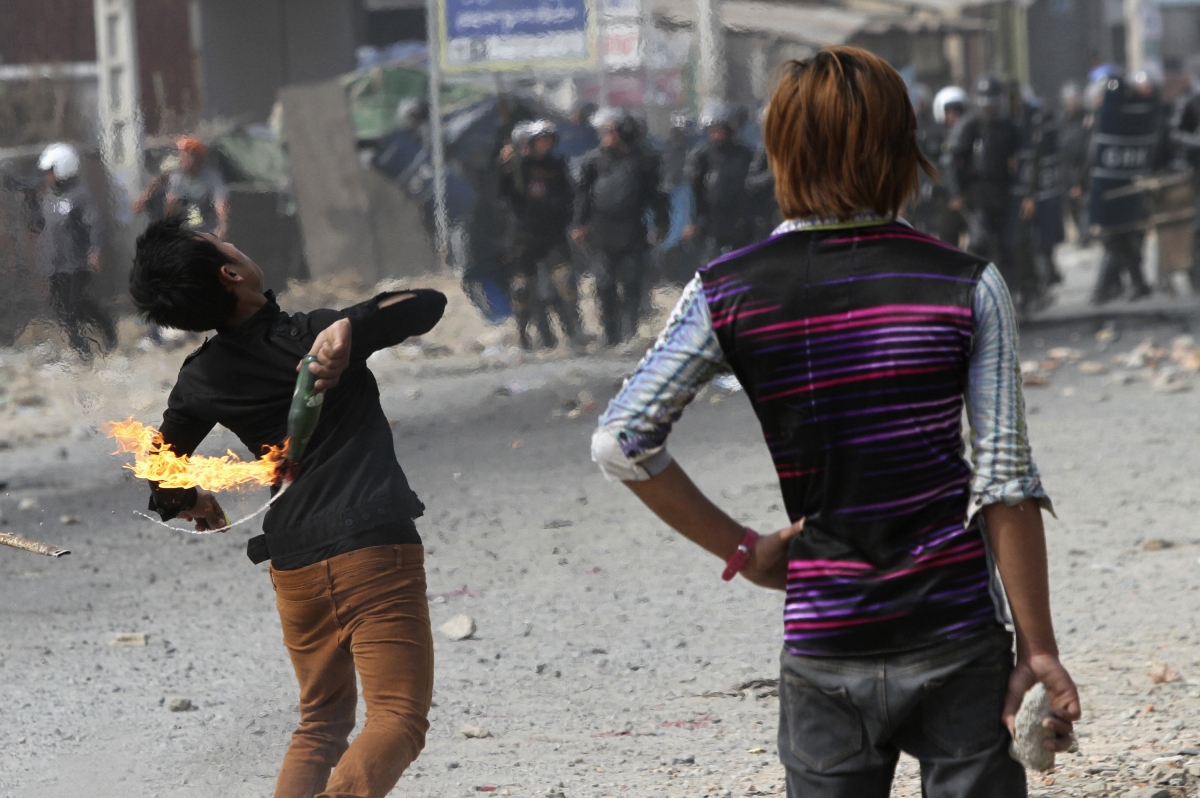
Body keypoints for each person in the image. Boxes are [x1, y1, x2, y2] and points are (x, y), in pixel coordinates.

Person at [591, 46, 1080, 798]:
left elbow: (621, 441)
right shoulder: (965, 283)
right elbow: (1006, 482)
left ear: (781, 151)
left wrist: (745, 550)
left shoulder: (727, 291)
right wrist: (1038, 647)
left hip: (825, 641)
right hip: (954, 632)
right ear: (902, 150)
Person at [128, 218, 447, 798]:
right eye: (227, 245)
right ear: (232, 272)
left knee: (321, 725)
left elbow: (157, 469)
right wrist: (351, 325)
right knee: (398, 717)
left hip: (294, 562)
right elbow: (427, 304)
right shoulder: (315, 336)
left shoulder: (201, 376)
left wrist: (191, 500)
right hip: (372, 544)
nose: (236, 244)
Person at [573, 108, 669, 346]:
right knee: (604, 284)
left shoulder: (643, 161)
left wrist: (660, 222)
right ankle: (610, 333)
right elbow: (583, 196)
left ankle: (629, 332)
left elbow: (656, 195)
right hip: (601, 232)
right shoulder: (593, 162)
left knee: (630, 282)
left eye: (611, 131)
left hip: (632, 231)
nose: (606, 136)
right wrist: (580, 223)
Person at [498, 120, 581, 349]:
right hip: (524, 236)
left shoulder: (558, 166)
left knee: (566, 281)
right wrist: (505, 167)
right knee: (522, 289)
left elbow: (570, 196)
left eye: (548, 140)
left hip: (552, 234)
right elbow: (501, 193)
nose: (544, 144)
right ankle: (524, 336)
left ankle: (575, 331)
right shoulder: (518, 167)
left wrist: (568, 219)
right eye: (539, 140)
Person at [32, 142, 118, 359]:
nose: (48, 177)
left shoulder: (80, 195)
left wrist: (95, 250)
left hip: (77, 261)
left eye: (50, 172)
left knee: (77, 303)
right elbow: (40, 226)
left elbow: (93, 224)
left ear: (63, 168)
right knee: (61, 309)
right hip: (54, 263)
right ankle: (81, 349)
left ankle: (107, 329)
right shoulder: (48, 197)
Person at [945, 76, 1027, 303]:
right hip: (978, 193)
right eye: (986, 101)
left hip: (1004, 192)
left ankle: (1008, 299)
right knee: (979, 243)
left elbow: (1023, 158)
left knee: (1008, 246)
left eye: (993, 101)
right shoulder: (970, 125)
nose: (990, 106)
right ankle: (971, 298)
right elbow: (951, 160)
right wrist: (955, 193)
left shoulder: (1009, 126)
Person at [1086, 70, 1164, 304]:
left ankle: (1105, 290)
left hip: (1128, 190)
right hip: (1106, 189)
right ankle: (1135, 285)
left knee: (1117, 237)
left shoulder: (1126, 118)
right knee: (1118, 238)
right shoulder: (1100, 119)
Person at [683, 99, 756, 260]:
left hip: (740, 221)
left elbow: (753, 185)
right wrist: (693, 221)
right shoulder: (702, 156)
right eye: (713, 129)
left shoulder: (745, 155)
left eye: (720, 129)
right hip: (712, 222)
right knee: (711, 266)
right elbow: (694, 190)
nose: (716, 134)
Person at [166, 135, 230, 239]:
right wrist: (171, 205)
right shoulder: (176, 178)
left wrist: (222, 227)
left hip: (207, 231)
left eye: (184, 155)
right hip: (184, 232)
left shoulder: (212, 178)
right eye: (179, 154)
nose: (180, 158)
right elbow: (170, 212)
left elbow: (220, 204)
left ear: (195, 157)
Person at [1058, 82, 1091, 244]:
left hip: (1082, 170)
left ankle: (1085, 235)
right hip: (1066, 171)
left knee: (1083, 205)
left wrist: (1080, 181)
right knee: (1071, 207)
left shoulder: (1086, 120)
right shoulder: (1061, 121)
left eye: (1074, 99)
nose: (1072, 103)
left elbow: (1087, 150)